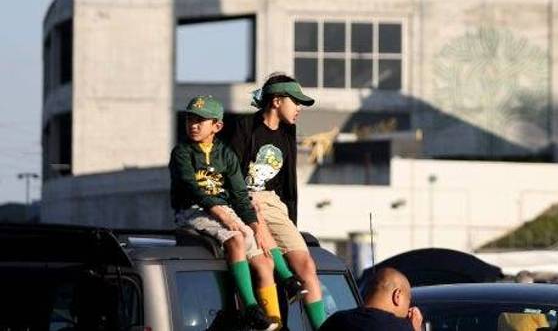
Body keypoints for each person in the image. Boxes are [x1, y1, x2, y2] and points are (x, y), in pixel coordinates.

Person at [169, 96, 280, 331]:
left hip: (225, 211)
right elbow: (193, 189)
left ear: (216, 126)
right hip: (193, 211)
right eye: (190, 119)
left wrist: (254, 225)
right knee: (236, 238)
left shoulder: (226, 155)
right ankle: (250, 309)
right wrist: (226, 217)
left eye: (200, 120)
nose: (193, 125)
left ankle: (275, 323)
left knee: (264, 262)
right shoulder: (182, 153)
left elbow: (240, 194)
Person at [228, 73, 328, 327]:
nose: (299, 109)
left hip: (273, 204)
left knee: (306, 266)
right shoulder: (245, 127)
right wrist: (247, 206)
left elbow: (288, 185)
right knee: (266, 264)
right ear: (276, 101)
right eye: (295, 102)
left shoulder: (287, 132)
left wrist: (290, 220)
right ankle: (274, 309)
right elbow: (231, 175)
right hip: (243, 199)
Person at [320, 267, 422, 330]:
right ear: (397, 295)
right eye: (409, 299)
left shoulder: (335, 321)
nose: (408, 307)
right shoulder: (400, 327)